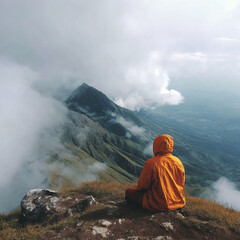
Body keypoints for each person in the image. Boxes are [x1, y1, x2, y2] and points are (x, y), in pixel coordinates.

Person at [125, 134, 186, 211]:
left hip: (157, 204)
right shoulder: (178, 162)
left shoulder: (151, 163)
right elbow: (181, 184)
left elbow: (142, 186)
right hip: (178, 202)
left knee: (129, 192)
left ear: (156, 145)